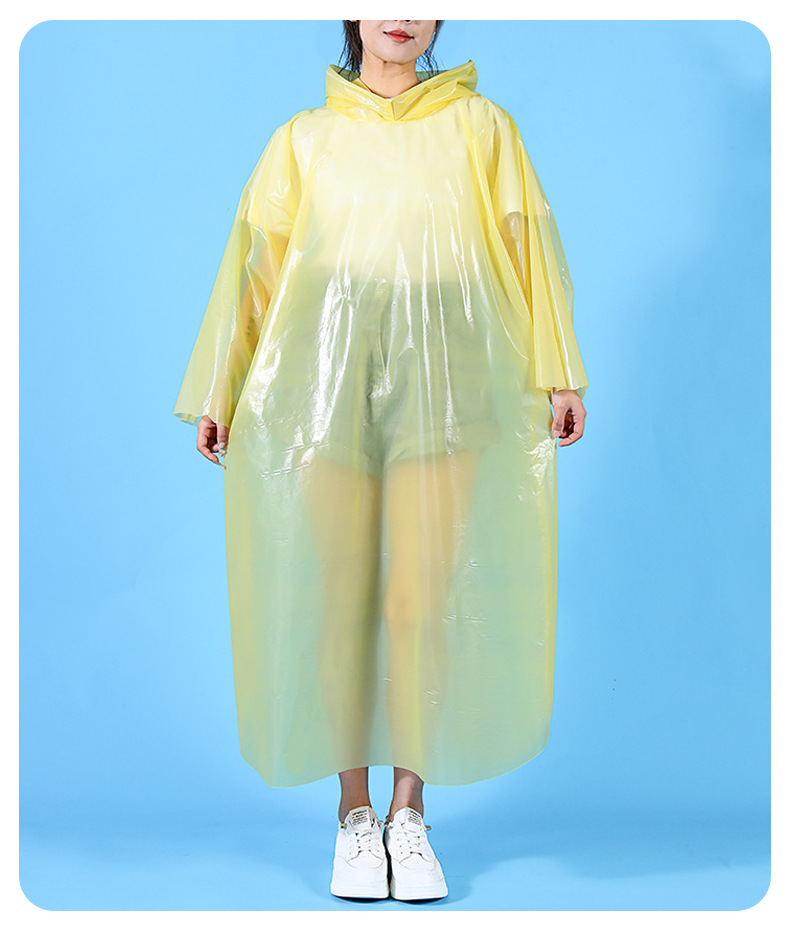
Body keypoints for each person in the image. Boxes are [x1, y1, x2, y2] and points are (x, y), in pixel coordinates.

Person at [173, 20, 587, 903]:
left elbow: (529, 244)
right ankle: (353, 816)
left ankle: (409, 814)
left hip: (451, 384)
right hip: (319, 390)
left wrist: (561, 372)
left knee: (420, 601)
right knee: (337, 598)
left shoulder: (482, 128)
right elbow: (255, 266)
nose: (400, 12)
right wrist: (220, 388)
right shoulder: (303, 140)